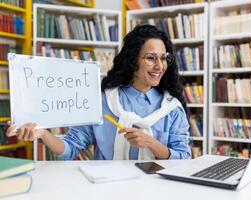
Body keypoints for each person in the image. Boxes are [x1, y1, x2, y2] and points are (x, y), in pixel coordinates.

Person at [6, 25, 191, 160]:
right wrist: (43, 134)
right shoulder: (104, 101)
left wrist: (151, 144)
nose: (159, 66)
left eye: (164, 58)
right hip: (107, 190)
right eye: (151, 58)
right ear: (132, 61)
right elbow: (70, 148)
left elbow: (183, 158)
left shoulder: (171, 109)